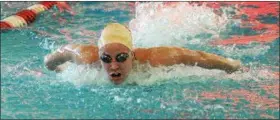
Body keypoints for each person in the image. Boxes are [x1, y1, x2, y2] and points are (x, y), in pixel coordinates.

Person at [44, 23, 241, 85]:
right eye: (106, 58)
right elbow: (53, 58)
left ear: (132, 55)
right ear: (99, 55)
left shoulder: (155, 58)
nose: (113, 65)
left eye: (121, 57)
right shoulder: (86, 57)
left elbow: (199, 57)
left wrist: (232, 66)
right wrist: (56, 69)